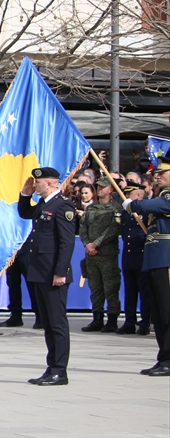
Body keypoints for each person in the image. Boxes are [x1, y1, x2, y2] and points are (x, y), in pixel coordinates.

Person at [18, 167, 77, 386]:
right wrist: (25, 195)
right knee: (47, 323)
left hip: (53, 272)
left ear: (50, 183)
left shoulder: (63, 205)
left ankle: (60, 370)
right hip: (40, 271)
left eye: (38, 182)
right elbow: (25, 213)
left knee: (57, 322)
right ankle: (51, 366)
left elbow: (67, 242)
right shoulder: (44, 204)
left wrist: (60, 272)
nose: (36, 185)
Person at [123, 161, 170, 376]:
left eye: (162, 173)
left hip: (166, 260)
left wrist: (133, 205)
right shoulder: (160, 197)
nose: (157, 176)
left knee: (167, 312)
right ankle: (164, 357)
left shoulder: (166, 198)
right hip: (154, 259)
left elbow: (153, 206)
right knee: (158, 314)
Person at [79, 182, 122, 333]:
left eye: (103, 187)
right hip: (91, 255)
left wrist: (96, 244)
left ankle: (112, 319)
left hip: (107, 254)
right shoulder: (91, 208)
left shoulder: (115, 208)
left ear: (110, 189)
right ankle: (97, 318)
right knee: (95, 288)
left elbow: (113, 230)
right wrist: (87, 244)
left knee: (110, 287)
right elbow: (83, 227)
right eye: (98, 187)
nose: (99, 189)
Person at [118, 184, 148, 335]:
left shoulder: (146, 211)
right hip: (129, 256)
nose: (126, 197)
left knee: (144, 292)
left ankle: (145, 323)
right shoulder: (126, 213)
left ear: (138, 196)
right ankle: (129, 321)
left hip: (142, 256)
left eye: (130, 194)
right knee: (130, 292)